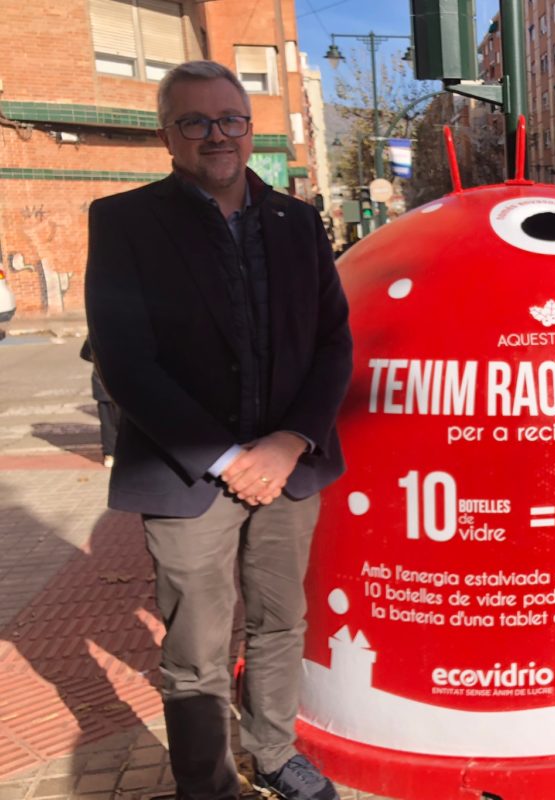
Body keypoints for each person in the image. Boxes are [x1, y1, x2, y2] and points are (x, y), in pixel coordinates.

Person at [84, 60, 352, 800]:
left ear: (250, 128)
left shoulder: (297, 221)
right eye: (194, 122)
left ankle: (273, 753)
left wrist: (290, 441)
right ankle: (207, 783)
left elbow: (335, 341)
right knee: (195, 650)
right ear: (167, 134)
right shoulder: (124, 221)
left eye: (229, 120)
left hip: (290, 469)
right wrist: (231, 456)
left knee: (278, 623)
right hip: (187, 475)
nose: (215, 136)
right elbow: (125, 360)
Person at [79, 337, 121, 468]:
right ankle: (120, 454)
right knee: (124, 422)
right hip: (120, 385)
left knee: (107, 422)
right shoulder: (126, 333)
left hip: (101, 383)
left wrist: (98, 359)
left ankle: (109, 455)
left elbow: (85, 354)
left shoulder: (96, 333)